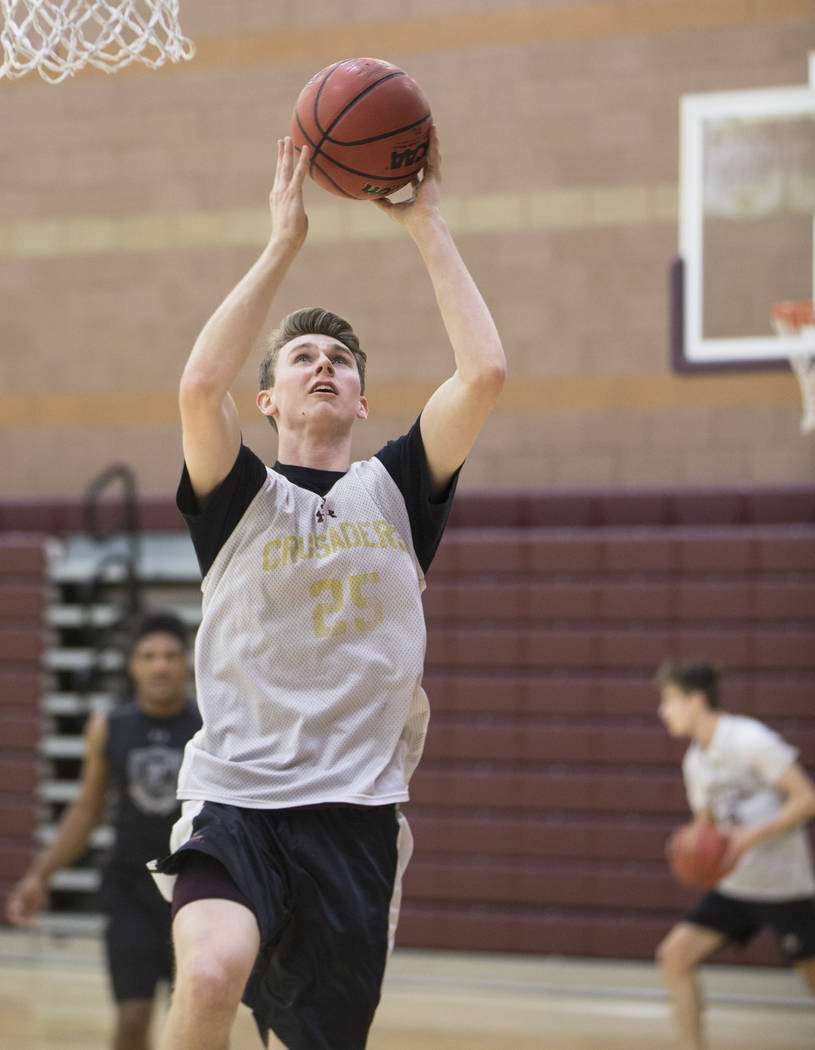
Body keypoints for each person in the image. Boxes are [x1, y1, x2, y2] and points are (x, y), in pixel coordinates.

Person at [146, 127, 505, 1050]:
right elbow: (196, 384)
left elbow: (485, 373)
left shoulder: (393, 491)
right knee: (213, 967)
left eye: (339, 362)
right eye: (301, 357)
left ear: (360, 401)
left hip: (353, 818)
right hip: (235, 802)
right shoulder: (237, 499)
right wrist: (282, 243)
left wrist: (426, 223)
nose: (322, 366)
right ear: (267, 401)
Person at [6, 610, 200, 1050]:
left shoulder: (208, 729)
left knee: (197, 1025)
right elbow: (85, 811)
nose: (161, 666)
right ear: (132, 665)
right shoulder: (109, 726)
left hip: (193, 889)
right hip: (131, 890)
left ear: (188, 663)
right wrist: (40, 876)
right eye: (149, 656)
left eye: (171, 655)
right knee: (131, 1022)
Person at [655, 659, 815, 1050]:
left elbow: (806, 799)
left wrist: (750, 837)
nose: (663, 711)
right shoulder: (695, 760)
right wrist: (686, 844)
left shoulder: (749, 739)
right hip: (736, 888)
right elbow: (706, 825)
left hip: (784, 888)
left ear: (696, 701)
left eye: (669, 700)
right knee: (674, 956)